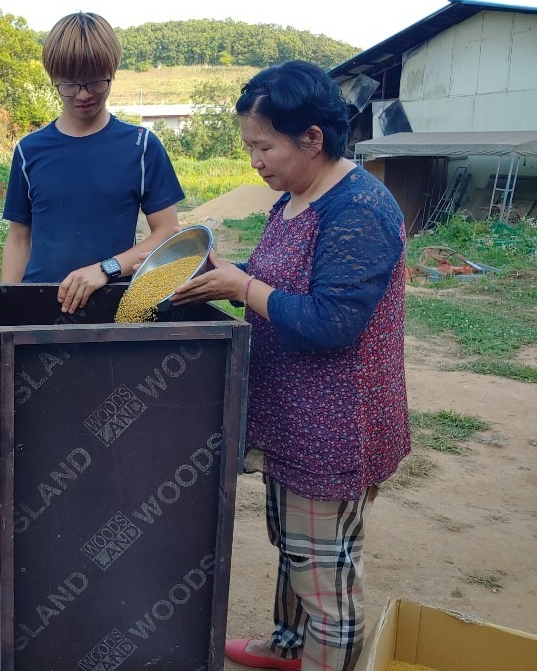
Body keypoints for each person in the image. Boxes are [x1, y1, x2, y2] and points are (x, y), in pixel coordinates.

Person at [169, 61, 410, 671]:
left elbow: (331, 323)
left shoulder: (357, 210)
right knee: (296, 550)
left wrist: (243, 285)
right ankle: (288, 646)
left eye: (264, 146)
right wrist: (220, 279)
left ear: (312, 139)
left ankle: (323, 653)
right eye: (250, 146)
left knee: (327, 577)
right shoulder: (295, 199)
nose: (256, 160)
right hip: (292, 419)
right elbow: (272, 283)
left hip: (335, 426)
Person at [0, 11, 184, 314]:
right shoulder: (29, 151)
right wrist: (8, 305)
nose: (83, 95)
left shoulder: (141, 146)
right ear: (53, 78)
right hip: (42, 305)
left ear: (112, 71)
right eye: (70, 84)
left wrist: (105, 269)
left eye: (96, 82)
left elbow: (167, 233)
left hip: (113, 304)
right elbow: (19, 239)